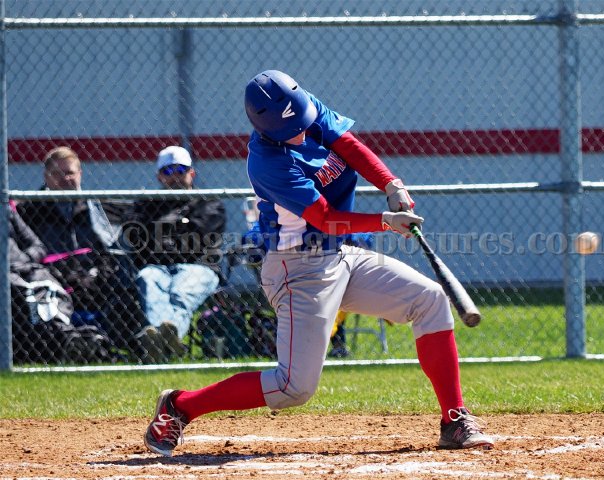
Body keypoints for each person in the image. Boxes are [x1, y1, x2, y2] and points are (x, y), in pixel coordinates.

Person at [143, 70, 493, 456]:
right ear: (267, 128)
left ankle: (454, 419)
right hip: (297, 270)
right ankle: (180, 407)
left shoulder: (303, 109)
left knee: (430, 299)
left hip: (339, 254)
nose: (301, 133)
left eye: (302, 123)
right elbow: (324, 218)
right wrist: (385, 221)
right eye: (290, 130)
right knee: (292, 388)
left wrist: (391, 184)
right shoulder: (267, 162)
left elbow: (349, 145)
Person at [15, 146, 141, 356]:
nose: (65, 179)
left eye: (70, 173)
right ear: (46, 177)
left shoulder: (93, 207)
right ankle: (70, 344)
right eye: (58, 174)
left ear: (80, 174)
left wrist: (98, 275)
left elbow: (108, 251)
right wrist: (59, 275)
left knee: (127, 281)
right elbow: (27, 254)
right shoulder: (30, 210)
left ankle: (136, 344)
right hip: (51, 282)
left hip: (93, 283)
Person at [129, 146, 226, 363]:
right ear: (159, 176)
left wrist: (160, 230)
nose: (175, 176)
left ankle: (159, 340)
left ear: (192, 173)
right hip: (156, 268)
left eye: (181, 170)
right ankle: (169, 340)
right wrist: (180, 226)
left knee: (180, 292)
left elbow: (199, 238)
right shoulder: (146, 204)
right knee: (148, 281)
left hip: (198, 267)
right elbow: (135, 237)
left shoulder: (209, 202)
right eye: (168, 171)